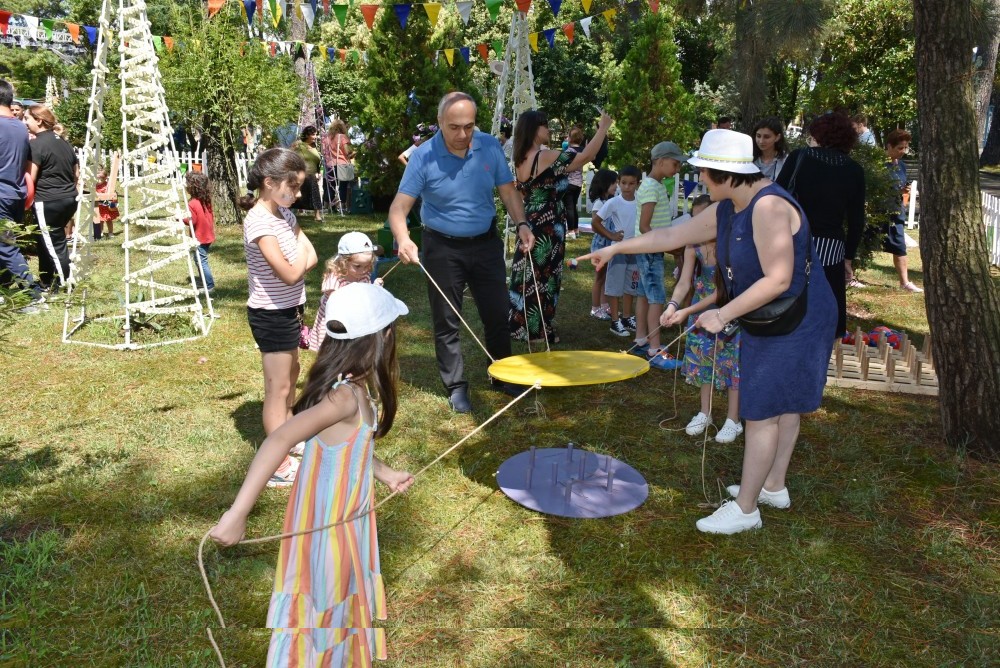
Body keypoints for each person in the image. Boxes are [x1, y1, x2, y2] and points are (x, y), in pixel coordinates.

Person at [580, 129, 837, 534]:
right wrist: (613, 249)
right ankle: (773, 486)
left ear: (726, 174)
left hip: (798, 317)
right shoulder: (730, 205)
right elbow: (670, 236)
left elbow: (778, 278)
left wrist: (723, 313)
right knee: (782, 404)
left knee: (764, 410)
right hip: (781, 313)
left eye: (704, 173)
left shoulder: (767, 207)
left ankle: (747, 508)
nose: (699, 179)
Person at [209, 282, 415, 665]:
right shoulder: (343, 397)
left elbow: (349, 449)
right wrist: (237, 515)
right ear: (381, 338)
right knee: (324, 604)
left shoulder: (355, 389)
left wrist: (383, 473)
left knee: (338, 601)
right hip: (327, 523)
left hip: (349, 518)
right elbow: (280, 439)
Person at [388, 92, 534, 413]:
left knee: (497, 313)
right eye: (454, 127)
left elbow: (508, 192)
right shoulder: (423, 157)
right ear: (440, 123)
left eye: (468, 126)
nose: (463, 135)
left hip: (485, 243)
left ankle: (503, 372)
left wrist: (522, 222)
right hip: (441, 247)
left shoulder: (489, 146)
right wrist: (403, 238)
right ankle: (455, 385)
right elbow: (399, 209)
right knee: (446, 320)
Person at [238, 148, 318, 487]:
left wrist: (298, 263)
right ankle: (277, 463)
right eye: (293, 187)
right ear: (269, 183)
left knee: (293, 375)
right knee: (278, 387)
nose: (298, 195)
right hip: (270, 314)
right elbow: (289, 272)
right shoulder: (258, 221)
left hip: (290, 309)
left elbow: (311, 254)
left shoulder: (284, 215)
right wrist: (298, 263)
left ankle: (288, 435)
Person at [508, 109, 613, 345]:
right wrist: (603, 128)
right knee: (543, 276)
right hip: (546, 224)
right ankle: (535, 332)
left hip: (532, 219)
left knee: (530, 273)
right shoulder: (543, 156)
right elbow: (585, 157)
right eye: (545, 125)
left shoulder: (523, 156)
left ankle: (531, 325)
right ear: (534, 130)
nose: (549, 129)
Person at [777, 111, 866, 338]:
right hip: (831, 247)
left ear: (818, 134)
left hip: (793, 240)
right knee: (825, 307)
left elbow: (776, 198)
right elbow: (856, 220)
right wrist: (849, 257)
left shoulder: (799, 157)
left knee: (789, 301)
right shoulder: (854, 170)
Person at [662, 195, 742, 443]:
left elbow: (722, 290)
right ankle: (704, 412)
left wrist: (687, 311)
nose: (698, 224)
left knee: (731, 362)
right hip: (698, 309)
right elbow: (685, 282)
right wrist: (673, 305)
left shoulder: (729, 245)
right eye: (695, 218)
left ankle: (733, 419)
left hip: (729, 309)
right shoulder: (692, 246)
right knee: (702, 357)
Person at [633, 141, 688, 369]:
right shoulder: (651, 188)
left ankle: (641, 339)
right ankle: (654, 350)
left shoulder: (654, 185)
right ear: (660, 161)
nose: (677, 169)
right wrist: (666, 246)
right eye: (675, 164)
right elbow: (645, 226)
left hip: (648, 250)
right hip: (650, 250)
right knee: (655, 297)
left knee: (645, 295)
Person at [0, 80, 44, 312]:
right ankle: (5, 291)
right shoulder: (20, 127)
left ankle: (33, 296)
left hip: (1, 195)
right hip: (16, 193)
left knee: (6, 246)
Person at [24, 104, 77, 291]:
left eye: (27, 118)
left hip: (48, 200)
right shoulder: (64, 142)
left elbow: (31, 177)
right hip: (69, 198)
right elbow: (75, 173)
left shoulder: (36, 144)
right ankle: (46, 281)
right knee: (45, 240)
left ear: (39, 120)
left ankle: (66, 286)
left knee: (55, 245)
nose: (25, 123)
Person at [308, 231, 383, 352]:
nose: (363, 270)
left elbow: (366, 294)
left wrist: (374, 288)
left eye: (367, 265)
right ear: (343, 261)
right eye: (358, 266)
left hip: (354, 320)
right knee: (333, 351)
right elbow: (337, 304)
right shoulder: (335, 279)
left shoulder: (364, 276)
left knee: (353, 351)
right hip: (336, 322)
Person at [597, 165, 641, 337]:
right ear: (619, 183)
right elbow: (596, 221)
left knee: (631, 285)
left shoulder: (641, 201)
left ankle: (627, 317)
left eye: (631, 184)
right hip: (618, 251)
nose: (627, 187)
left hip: (636, 249)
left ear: (637, 184)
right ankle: (615, 321)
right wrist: (611, 235)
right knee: (615, 286)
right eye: (623, 183)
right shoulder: (613, 202)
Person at [882, 128, 922, 293]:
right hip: (879, 212)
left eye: (905, 148)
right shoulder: (879, 165)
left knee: (899, 246)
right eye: (900, 148)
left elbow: (901, 187)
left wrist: (906, 193)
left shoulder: (902, 166)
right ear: (889, 146)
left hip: (897, 212)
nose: (903, 152)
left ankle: (904, 282)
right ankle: (849, 276)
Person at [586, 168, 619, 322]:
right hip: (601, 245)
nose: (617, 186)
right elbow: (595, 225)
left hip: (608, 243)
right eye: (615, 183)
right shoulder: (599, 203)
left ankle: (604, 304)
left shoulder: (610, 201)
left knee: (606, 277)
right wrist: (610, 235)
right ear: (606, 184)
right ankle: (595, 308)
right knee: (599, 278)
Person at [184, 171, 215, 293]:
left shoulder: (192, 203)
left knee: (201, 260)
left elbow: (191, 221)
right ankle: (204, 281)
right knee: (200, 259)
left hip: (199, 237)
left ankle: (209, 285)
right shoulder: (205, 200)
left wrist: (181, 218)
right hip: (207, 235)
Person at [291, 126, 324, 223]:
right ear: (306, 135)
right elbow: (292, 158)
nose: (315, 136)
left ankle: (317, 216)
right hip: (300, 174)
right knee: (295, 194)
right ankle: (289, 213)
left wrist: (319, 172)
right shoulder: (299, 146)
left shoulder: (315, 147)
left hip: (312, 174)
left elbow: (318, 161)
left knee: (315, 194)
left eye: (316, 134)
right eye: (313, 134)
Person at [323, 119, 355, 211]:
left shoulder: (326, 138)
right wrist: (354, 153)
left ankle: (327, 206)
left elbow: (324, 152)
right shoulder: (343, 137)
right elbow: (347, 152)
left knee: (330, 186)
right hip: (342, 164)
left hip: (329, 165)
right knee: (343, 186)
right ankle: (342, 206)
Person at [564, 126, 586, 240]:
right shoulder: (583, 151)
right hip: (578, 183)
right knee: (573, 206)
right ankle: (576, 229)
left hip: (569, 182)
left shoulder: (569, 151)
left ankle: (570, 230)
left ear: (570, 138)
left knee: (569, 207)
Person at [94, 159, 119, 240]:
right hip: (99, 207)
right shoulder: (94, 186)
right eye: (98, 179)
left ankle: (110, 232)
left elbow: (113, 195)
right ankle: (100, 232)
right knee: (100, 220)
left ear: (105, 178)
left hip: (106, 206)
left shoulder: (107, 186)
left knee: (108, 220)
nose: (99, 181)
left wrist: (113, 202)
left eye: (101, 179)